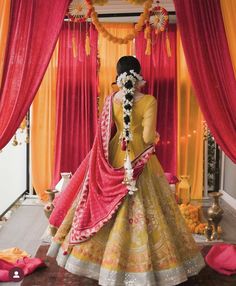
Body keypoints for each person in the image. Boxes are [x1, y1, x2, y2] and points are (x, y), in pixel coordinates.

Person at [47, 56, 205, 286]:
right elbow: (148, 137)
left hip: (114, 155)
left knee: (105, 201)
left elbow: (105, 131)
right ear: (139, 74)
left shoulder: (112, 99)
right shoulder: (149, 100)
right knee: (149, 206)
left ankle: (98, 262)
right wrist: (155, 138)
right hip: (140, 156)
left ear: (118, 75)